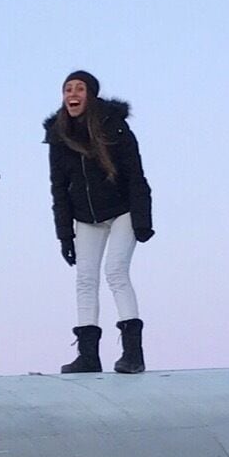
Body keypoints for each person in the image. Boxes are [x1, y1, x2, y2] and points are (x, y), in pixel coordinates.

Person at [44, 70, 154, 373]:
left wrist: (142, 219)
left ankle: (133, 354)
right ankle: (88, 357)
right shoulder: (59, 135)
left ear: (90, 95)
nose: (72, 94)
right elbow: (58, 188)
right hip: (86, 218)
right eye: (67, 89)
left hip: (122, 211)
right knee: (85, 279)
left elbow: (136, 174)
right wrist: (65, 236)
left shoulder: (113, 126)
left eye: (79, 89)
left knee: (115, 272)